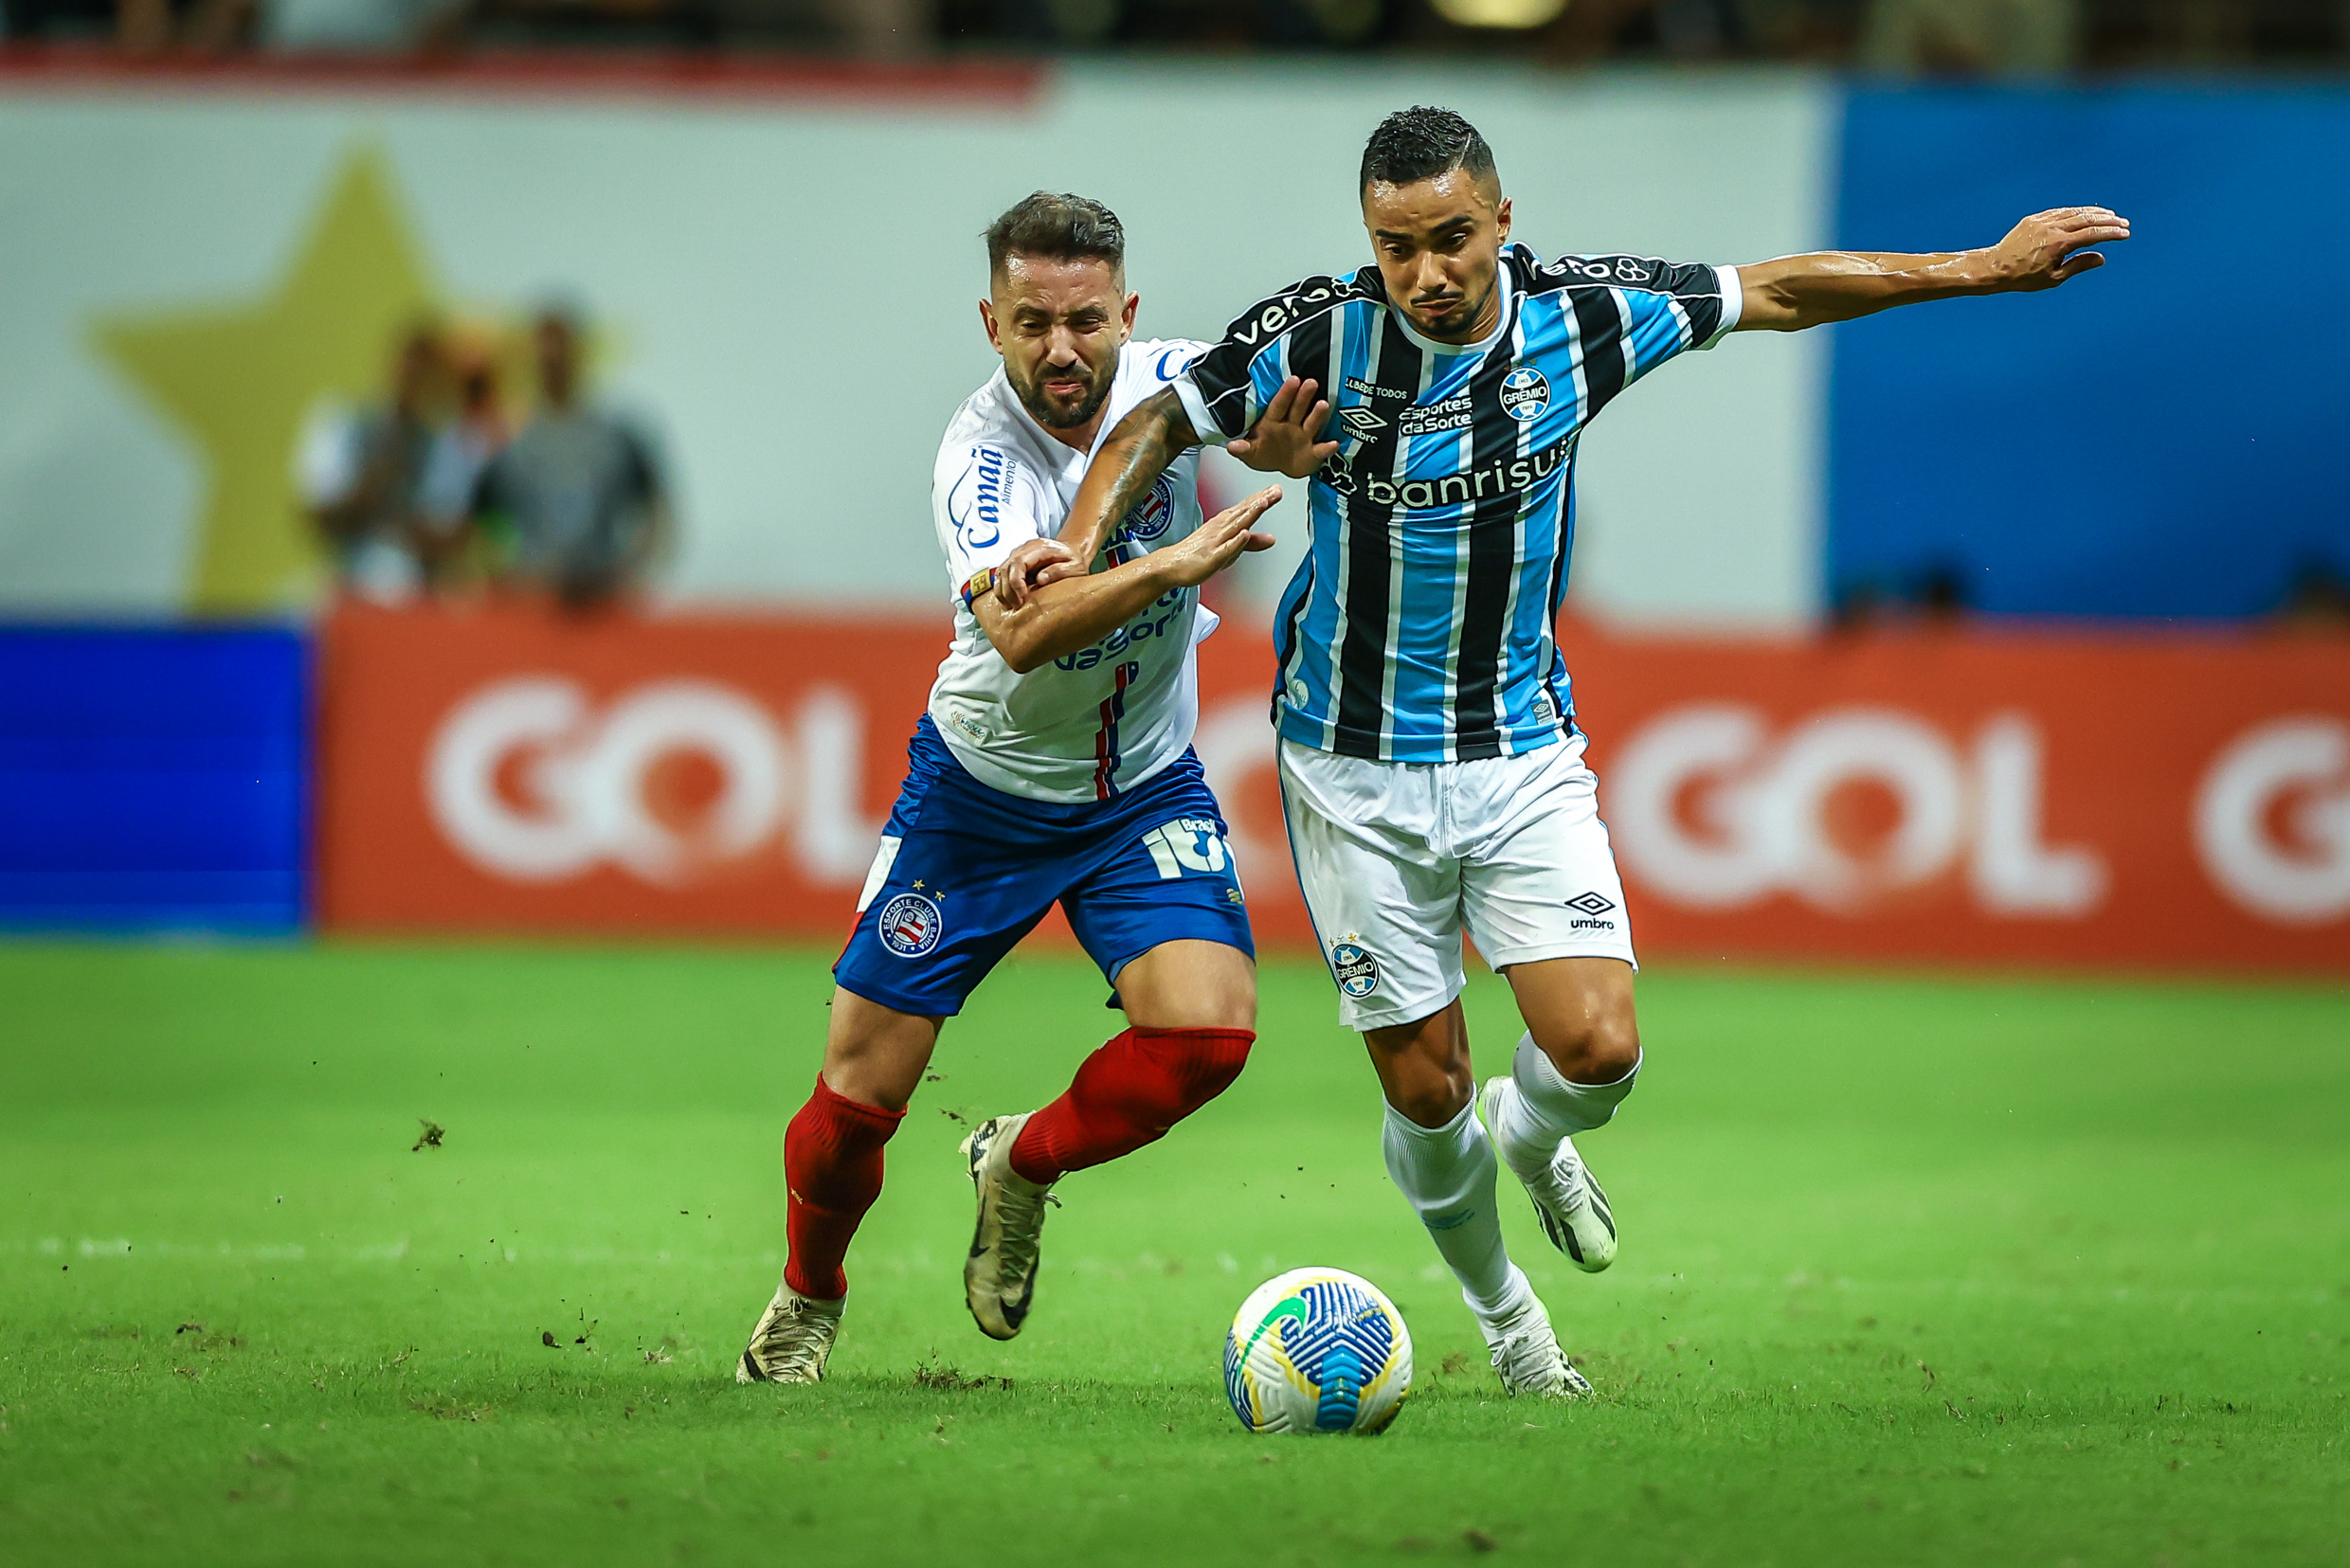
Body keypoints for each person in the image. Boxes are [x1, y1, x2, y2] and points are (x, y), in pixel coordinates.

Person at [1000, 105, 2128, 1397]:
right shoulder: (1318, 335)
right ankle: (1511, 1323)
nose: (1425, 272)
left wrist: (1978, 267)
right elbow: (1155, 421)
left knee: (1597, 1050)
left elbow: (1777, 290)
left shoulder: (1583, 318)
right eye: (1395, 246)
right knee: (1427, 1090)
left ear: (1504, 222)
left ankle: (1534, 1140)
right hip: (1349, 762)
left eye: (1451, 239)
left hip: (1519, 742)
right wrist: (1077, 548)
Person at [735, 192, 1286, 1384]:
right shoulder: (977, 459)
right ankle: (807, 1294)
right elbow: (1026, 635)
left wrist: (1297, 437)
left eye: (1084, 320)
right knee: (854, 1102)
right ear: (990, 320)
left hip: (1142, 783)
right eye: (1031, 321)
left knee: (1207, 1036)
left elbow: (1288, 399)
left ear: (1124, 312)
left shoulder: (1176, 377)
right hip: (980, 797)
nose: (1060, 349)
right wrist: (1179, 560)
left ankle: (1020, 1161)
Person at [472, 307, 668, 610]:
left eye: (561, 355)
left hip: (601, 600)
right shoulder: (509, 444)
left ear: (579, 356)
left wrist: (629, 571)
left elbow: (656, 513)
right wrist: (506, 575)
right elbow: (477, 522)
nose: (554, 365)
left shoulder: (616, 438)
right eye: (546, 357)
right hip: (533, 601)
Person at [300, 324, 447, 604]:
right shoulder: (346, 423)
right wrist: (376, 480)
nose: (416, 381)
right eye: (411, 368)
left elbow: (440, 531)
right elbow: (318, 516)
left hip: (415, 600)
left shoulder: (436, 444)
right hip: (355, 589)